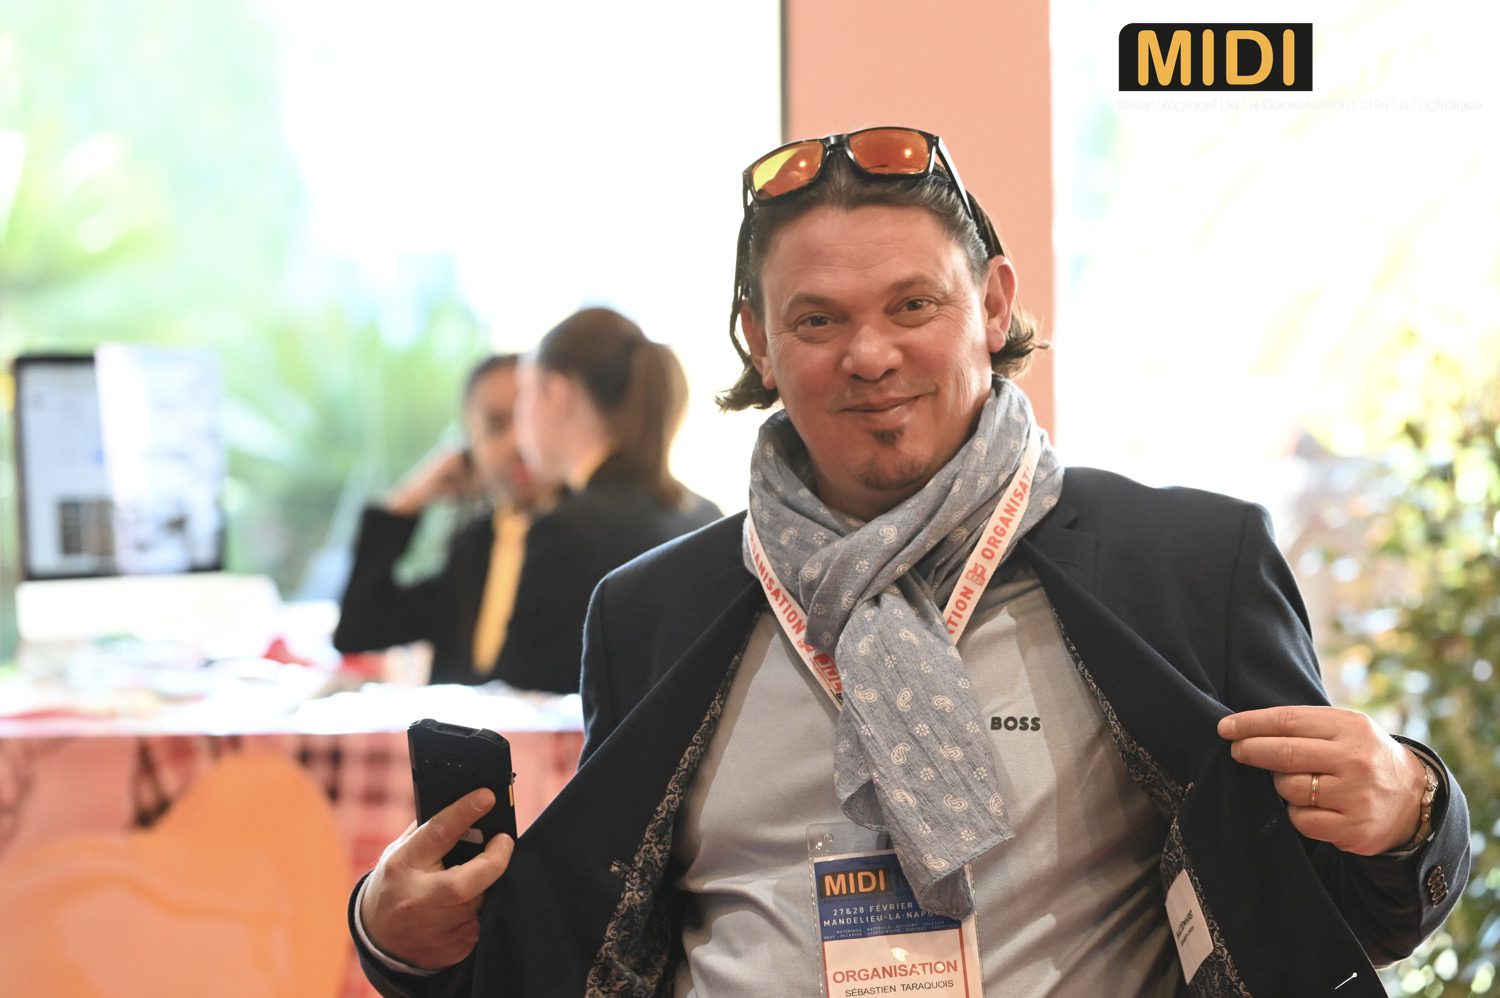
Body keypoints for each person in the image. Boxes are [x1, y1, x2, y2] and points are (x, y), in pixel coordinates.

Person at [350, 128, 1470, 996]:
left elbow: (1347, 917)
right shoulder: (652, 612)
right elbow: (587, 943)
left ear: (993, 304)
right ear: (757, 341)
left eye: (913, 304)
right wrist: (398, 940)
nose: (871, 353)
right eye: (818, 320)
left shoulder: (1187, 568)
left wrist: (1409, 809)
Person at [335, 310, 719, 694]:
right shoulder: (476, 545)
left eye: (523, 406)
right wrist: (407, 502)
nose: (517, 442)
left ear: (556, 395)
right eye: (494, 426)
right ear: (468, 443)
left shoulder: (573, 530)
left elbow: (539, 697)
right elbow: (359, 628)